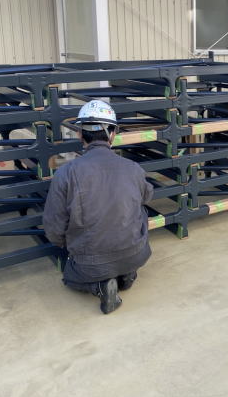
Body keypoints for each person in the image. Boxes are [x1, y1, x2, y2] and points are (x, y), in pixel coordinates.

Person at [43, 100, 154, 314]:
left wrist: (65, 244)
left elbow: (54, 225)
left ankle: (101, 287)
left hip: (91, 263)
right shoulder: (133, 168)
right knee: (140, 206)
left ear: (79, 134)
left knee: (70, 277)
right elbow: (148, 195)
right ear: (112, 134)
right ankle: (127, 274)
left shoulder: (66, 173)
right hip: (137, 253)